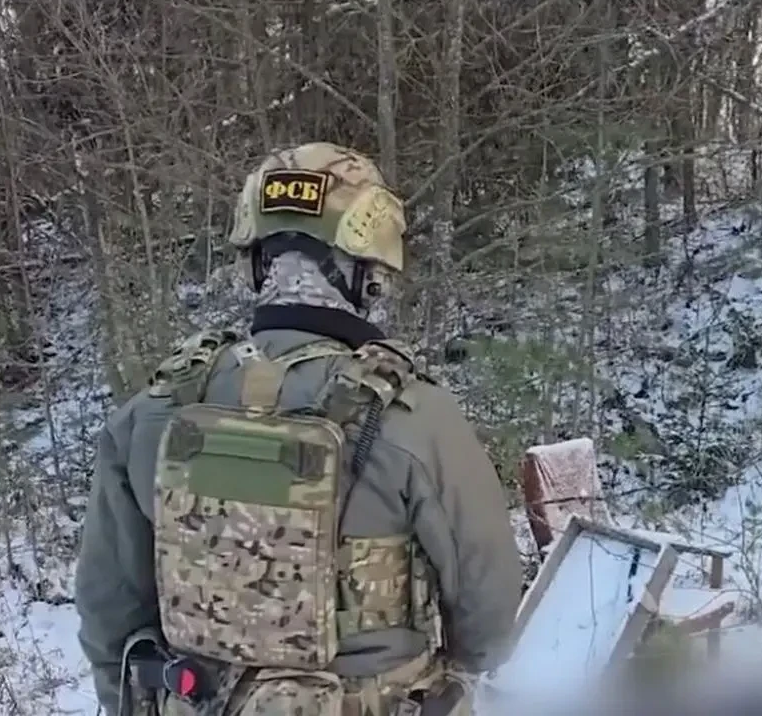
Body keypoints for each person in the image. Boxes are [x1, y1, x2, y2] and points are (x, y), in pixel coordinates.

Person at [74, 142, 524, 716]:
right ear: (371, 273)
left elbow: (110, 613)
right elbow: (488, 620)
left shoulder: (154, 412)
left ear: (255, 262)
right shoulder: (412, 417)